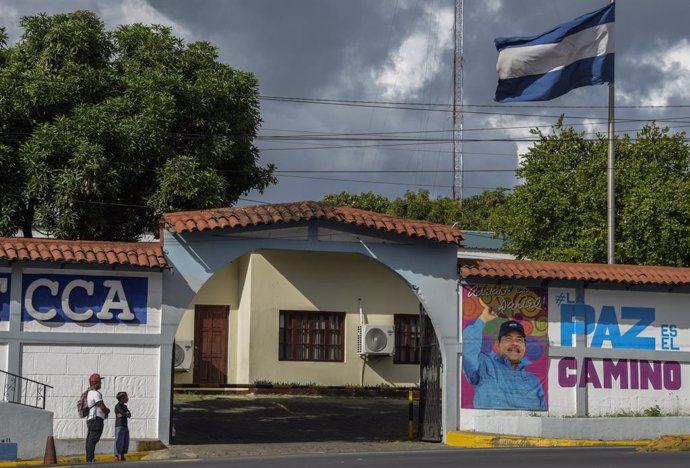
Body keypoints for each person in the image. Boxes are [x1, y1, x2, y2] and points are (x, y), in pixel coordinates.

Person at [462, 300, 546, 410]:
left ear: (525, 347)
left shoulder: (533, 380)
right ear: (498, 345)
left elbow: (542, 414)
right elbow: (468, 351)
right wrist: (483, 319)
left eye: (519, 339)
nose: (514, 343)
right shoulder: (485, 366)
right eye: (508, 338)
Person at [86, 373, 110, 462]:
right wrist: (107, 411)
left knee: (91, 439)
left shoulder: (89, 392)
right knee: (93, 439)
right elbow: (102, 407)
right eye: (100, 382)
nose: (101, 384)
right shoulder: (95, 393)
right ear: (96, 382)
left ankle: (89, 458)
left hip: (91, 419)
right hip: (96, 420)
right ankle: (90, 458)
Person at [114, 392, 131, 461]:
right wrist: (125, 414)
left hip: (125, 425)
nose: (128, 399)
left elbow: (128, 414)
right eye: (126, 397)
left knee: (125, 440)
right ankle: (116, 455)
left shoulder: (125, 406)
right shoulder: (117, 406)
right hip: (119, 425)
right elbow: (122, 413)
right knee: (118, 440)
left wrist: (126, 414)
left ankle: (122, 455)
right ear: (122, 398)